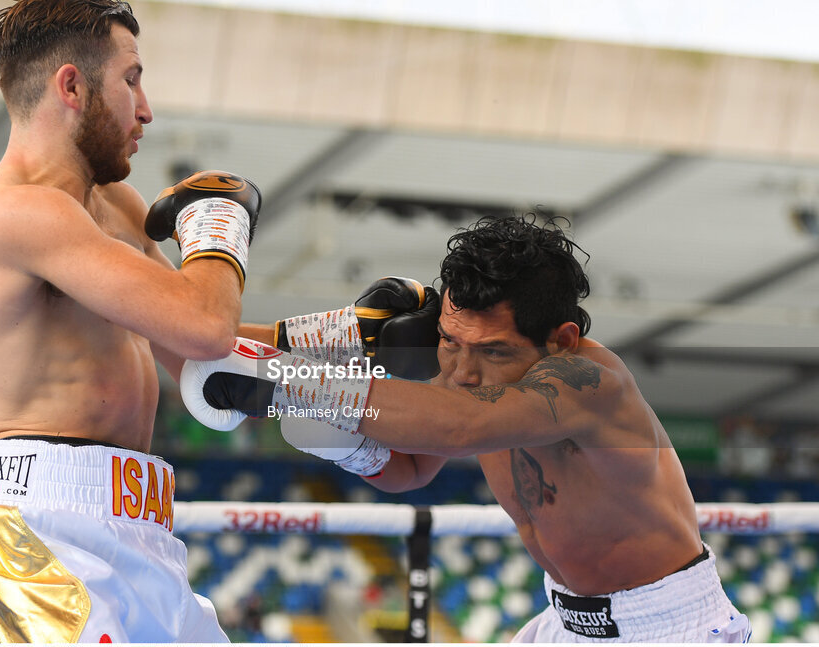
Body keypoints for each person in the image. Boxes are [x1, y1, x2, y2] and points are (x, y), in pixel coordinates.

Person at [183, 216, 751, 643]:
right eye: (450, 340)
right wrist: (351, 448)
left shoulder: (592, 384)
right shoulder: (465, 367)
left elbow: (462, 427)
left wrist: (286, 382)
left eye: (491, 350)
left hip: (670, 625)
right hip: (564, 618)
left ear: (562, 341)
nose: (461, 369)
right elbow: (407, 470)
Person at [0, 0, 262, 643]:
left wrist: (346, 341)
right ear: (72, 87)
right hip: (36, 525)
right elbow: (205, 320)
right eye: (131, 80)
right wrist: (217, 229)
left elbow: (209, 354)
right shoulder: (16, 213)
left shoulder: (115, 205)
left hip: (141, 521)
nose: (145, 109)